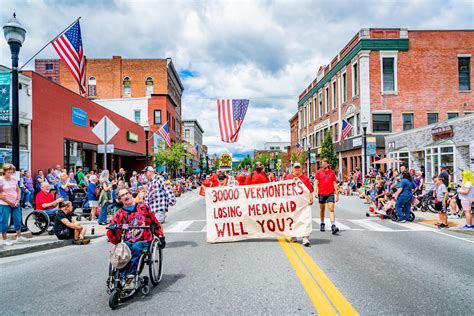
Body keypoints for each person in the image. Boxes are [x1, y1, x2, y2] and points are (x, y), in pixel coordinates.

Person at [107, 187, 165, 288]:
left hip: (144, 239)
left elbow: (154, 222)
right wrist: (111, 230)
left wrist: (160, 235)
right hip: (128, 241)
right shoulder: (118, 214)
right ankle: (121, 276)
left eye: (127, 193)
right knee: (123, 248)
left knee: (136, 247)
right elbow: (114, 237)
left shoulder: (143, 208)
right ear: (119, 200)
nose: (125, 196)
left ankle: (131, 276)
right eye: (122, 195)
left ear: (131, 194)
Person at [284, 162, 313, 246]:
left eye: (298, 167)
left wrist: (311, 198)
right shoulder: (289, 177)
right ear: (293, 168)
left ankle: (305, 238)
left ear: (301, 168)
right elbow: (283, 188)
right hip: (292, 203)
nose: (297, 169)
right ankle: (293, 236)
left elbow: (310, 190)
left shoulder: (305, 178)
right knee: (293, 220)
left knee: (305, 220)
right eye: (295, 167)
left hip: (303, 203)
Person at [0, 163, 29, 245]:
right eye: (9, 172)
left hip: (15, 203)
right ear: (4, 171)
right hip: (4, 203)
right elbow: (0, 195)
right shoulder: (1, 180)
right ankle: (5, 239)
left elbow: (18, 190)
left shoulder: (14, 179)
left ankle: (19, 237)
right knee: (4, 221)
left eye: (11, 172)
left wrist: (18, 200)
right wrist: (10, 202)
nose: (10, 173)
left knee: (17, 219)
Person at [314, 159, 339, 234]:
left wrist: (337, 194)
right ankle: (322, 223)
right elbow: (316, 182)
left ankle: (333, 225)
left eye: (325, 163)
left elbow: (335, 184)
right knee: (322, 209)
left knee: (331, 209)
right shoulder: (318, 172)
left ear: (328, 164)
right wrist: (315, 191)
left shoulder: (332, 172)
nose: (323, 165)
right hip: (321, 193)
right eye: (322, 163)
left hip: (330, 193)